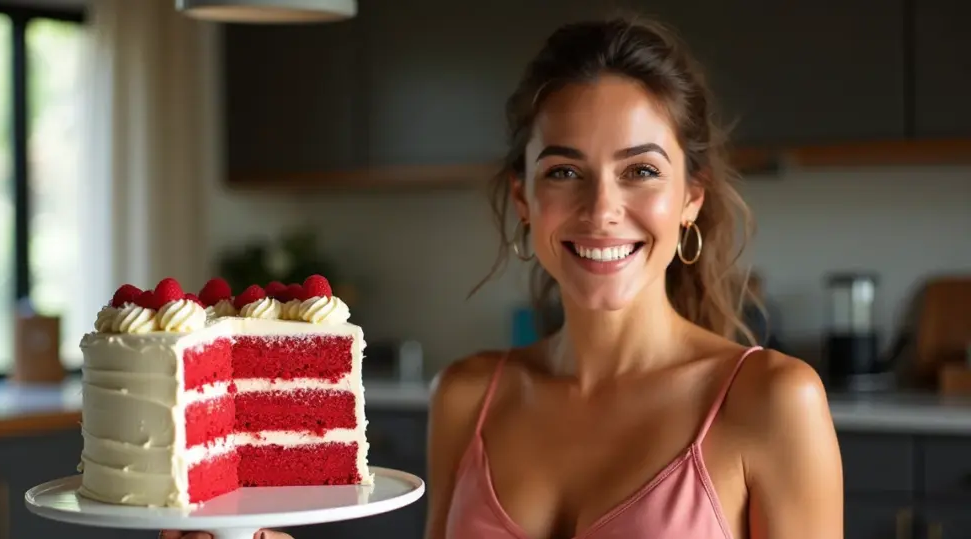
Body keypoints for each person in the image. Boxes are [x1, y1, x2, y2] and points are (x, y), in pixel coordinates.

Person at [161, 14, 843, 539]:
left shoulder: (774, 403)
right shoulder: (467, 395)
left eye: (640, 170)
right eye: (564, 172)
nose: (602, 209)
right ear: (524, 199)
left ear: (692, 196)